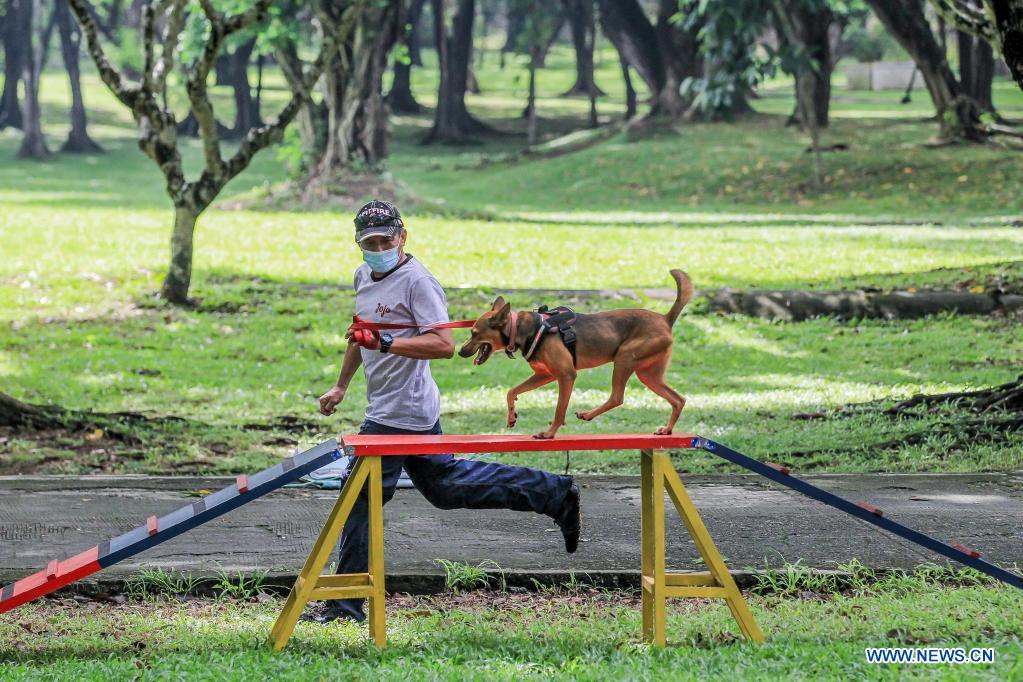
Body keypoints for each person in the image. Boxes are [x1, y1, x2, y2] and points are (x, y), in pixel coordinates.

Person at [303, 200, 581, 624]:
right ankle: (555, 494)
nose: (378, 247)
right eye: (369, 242)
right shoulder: (363, 275)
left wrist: (389, 344)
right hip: (392, 406)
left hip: (403, 412)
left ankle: (345, 608)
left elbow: (443, 345)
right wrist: (341, 384)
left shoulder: (419, 283)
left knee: (358, 499)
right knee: (445, 487)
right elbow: (361, 334)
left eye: (385, 239)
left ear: (402, 236)